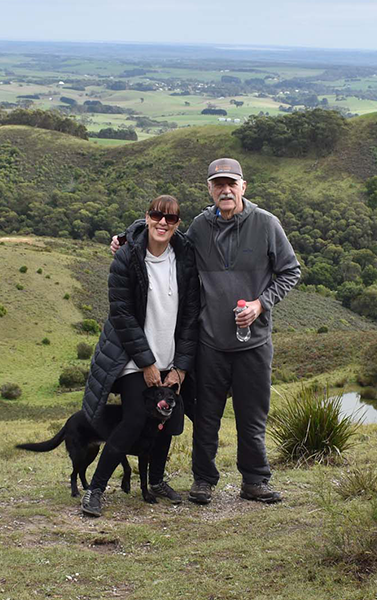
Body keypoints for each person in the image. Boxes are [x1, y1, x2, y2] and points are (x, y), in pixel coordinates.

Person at [113, 158, 301, 505]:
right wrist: (126, 238)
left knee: (252, 416)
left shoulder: (266, 224)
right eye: (218, 184)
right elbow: (163, 233)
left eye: (232, 184)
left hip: (255, 343)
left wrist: (261, 304)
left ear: (244, 186)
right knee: (206, 416)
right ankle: (203, 481)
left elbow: (291, 271)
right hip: (210, 343)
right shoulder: (199, 227)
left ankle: (255, 481)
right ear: (210, 189)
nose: (225, 190)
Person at [80, 195, 200, 518]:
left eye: (171, 219)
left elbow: (190, 317)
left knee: (171, 419)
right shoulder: (127, 258)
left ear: (177, 224)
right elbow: (121, 315)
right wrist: (146, 363)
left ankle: (157, 481)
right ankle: (95, 489)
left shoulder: (184, 259)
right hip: (130, 358)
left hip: (169, 361)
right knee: (135, 419)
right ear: (146, 217)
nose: (163, 223)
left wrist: (182, 368)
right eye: (157, 216)